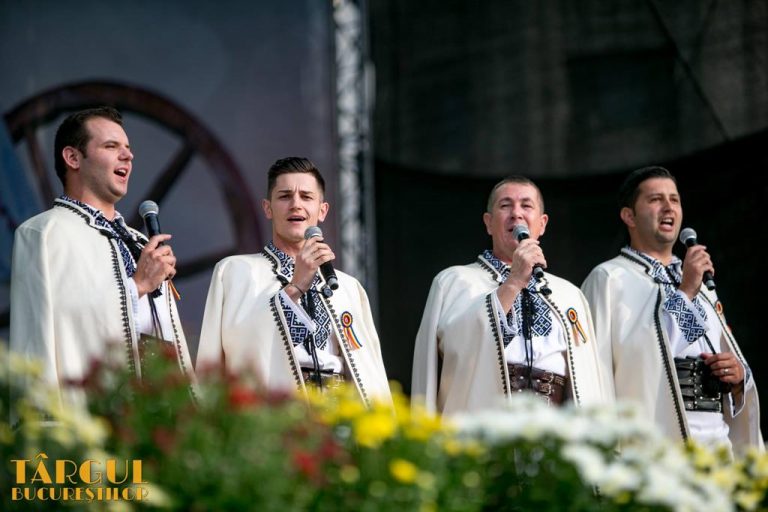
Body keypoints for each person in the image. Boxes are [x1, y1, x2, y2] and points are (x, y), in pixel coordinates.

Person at [10, 106, 194, 408]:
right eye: (111, 146)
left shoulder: (139, 241)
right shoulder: (44, 232)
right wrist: (137, 286)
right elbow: (45, 328)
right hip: (94, 408)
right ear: (73, 158)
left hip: (158, 411)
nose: (128, 156)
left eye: (128, 148)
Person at [581, 166, 762, 453]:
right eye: (655, 199)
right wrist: (686, 290)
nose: (668, 207)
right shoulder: (609, 279)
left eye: (674, 200)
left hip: (716, 440)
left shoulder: (701, 284)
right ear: (629, 216)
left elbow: (713, 349)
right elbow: (614, 367)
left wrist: (738, 379)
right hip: (657, 443)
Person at [197, 157, 391, 406]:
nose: (296, 204)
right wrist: (295, 287)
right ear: (268, 208)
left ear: (322, 211)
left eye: (306, 197)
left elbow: (370, 371)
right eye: (285, 196)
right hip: (276, 410)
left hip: (340, 410)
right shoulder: (235, 272)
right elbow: (240, 349)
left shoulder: (348, 287)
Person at [412, 176, 613, 415]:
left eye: (526, 205)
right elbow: (458, 351)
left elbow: (588, 381)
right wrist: (514, 281)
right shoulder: (454, 282)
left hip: (554, 425)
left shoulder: (570, 294)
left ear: (542, 223)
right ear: (488, 223)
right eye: (505, 205)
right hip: (483, 420)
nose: (516, 214)